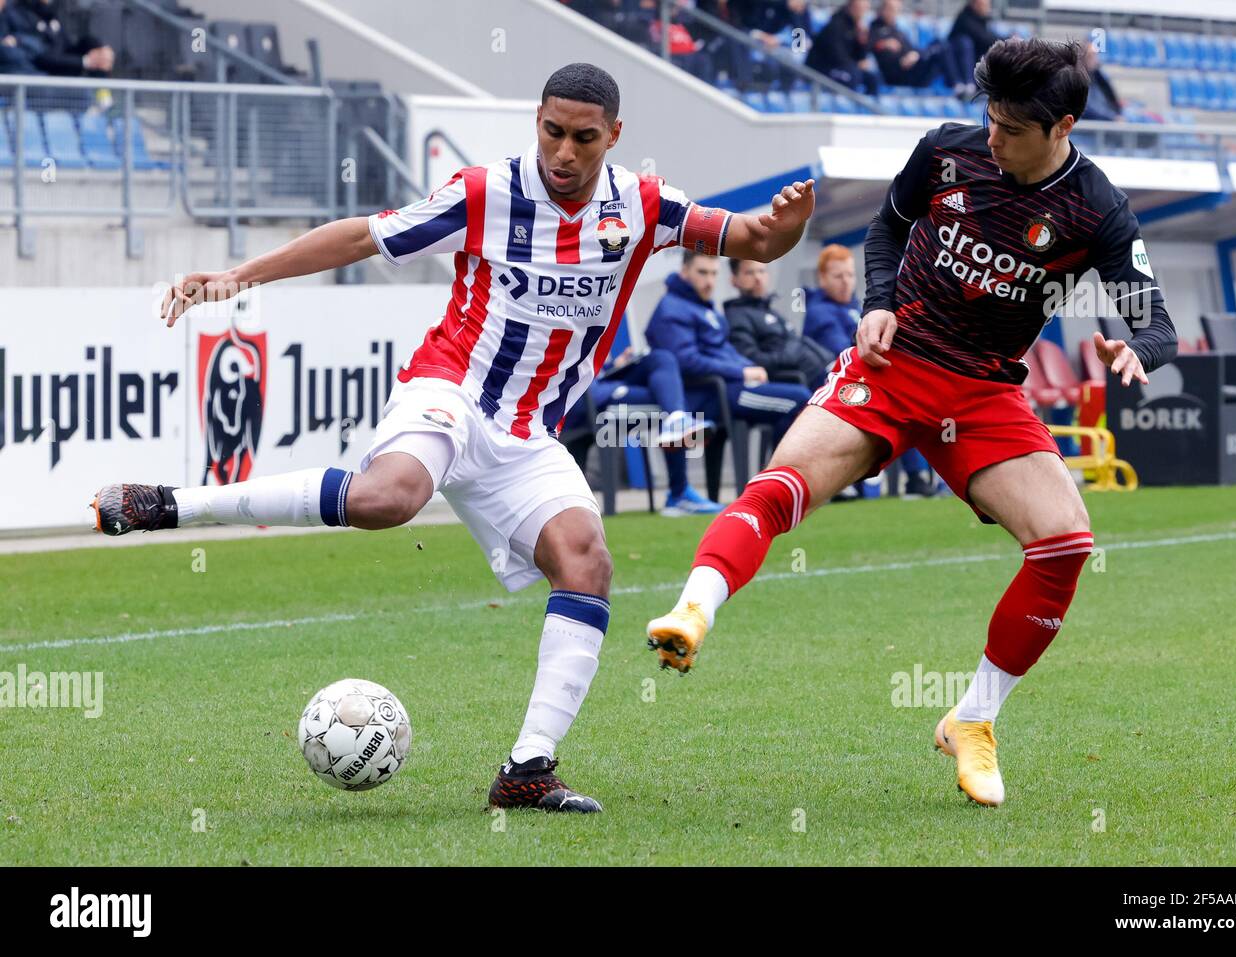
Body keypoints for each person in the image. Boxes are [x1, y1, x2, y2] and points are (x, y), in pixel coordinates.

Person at [91, 63, 816, 814]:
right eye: (552, 132)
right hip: (452, 390)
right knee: (391, 497)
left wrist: (789, 218)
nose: (564, 152)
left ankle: (527, 769)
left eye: (584, 138)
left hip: (528, 433)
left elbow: (755, 240)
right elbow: (362, 237)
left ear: (614, 136)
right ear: (537, 121)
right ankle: (169, 503)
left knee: (587, 560)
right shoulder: (486, 193)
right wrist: (241, 275)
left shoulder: (643, 204)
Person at [646, 39, 1177, 809]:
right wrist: (878, 302)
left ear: (1062, 125)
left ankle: (974, 717)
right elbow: (886, 231)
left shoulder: (1096, 207)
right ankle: (694, 607)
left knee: (1066, 541)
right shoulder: (945, 152)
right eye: (988, 117)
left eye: (1012, 128)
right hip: (893, 365)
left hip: (984, 391)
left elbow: (1152, 317)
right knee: (784, 485)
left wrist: (1139, 349)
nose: (992, 137)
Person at [803, 243, 938, 496]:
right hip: (836, 388)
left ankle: (921, 477)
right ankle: (908, 479)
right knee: (899, 396)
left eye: (850, 275)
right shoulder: (818, 312)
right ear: (822, 278)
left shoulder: (858, 307)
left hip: (863, 383)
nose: (846, 282)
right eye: (838, 276)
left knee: (910, 393)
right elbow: (846, 352)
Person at [646, 252, 812, 451]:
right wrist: (741, 372)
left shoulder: (703, 307)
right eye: (702, 273)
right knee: (801, 399)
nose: (709, 281)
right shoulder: (672, 308)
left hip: (730, 386)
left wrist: (749, 367)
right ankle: (781, 474)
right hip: (712, 393)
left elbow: (725, 351)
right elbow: (686, 361)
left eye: (714, 274)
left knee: (799, 401)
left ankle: (780, 473)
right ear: (684, 272)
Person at [564, 345, 724, 515]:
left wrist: (615, 365)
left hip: (605, 381)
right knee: (669, 396)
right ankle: (679, 494)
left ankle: (677, 419)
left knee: (661, 357)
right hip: (588, 397)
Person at [724, 258, 834, 388]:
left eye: (761, 271)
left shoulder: (771, 311)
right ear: (734, 280)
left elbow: (795, 341)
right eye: (749, 273)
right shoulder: (736, 316)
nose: (758, 277)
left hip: (826, 371)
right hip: (800, 379)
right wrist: (787, 355)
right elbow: (751, 360)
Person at [4, 0, 113, 77]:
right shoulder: (18, 13)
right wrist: (86, 62)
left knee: (95, 48)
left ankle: (103, 99)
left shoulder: (50, 15)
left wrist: (98, 50)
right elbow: (41, 56)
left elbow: (67, 47)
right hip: (39, 84)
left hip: (62, 83)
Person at [868, 0, 960, 91]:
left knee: (940, 44)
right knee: (941, 49)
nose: (894, 13)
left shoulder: (896, 30)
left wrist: (914, 54)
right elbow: (870, 44)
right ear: (882, 10)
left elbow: (910, 49)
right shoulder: (875, 29)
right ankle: (956, 86)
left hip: (912, 68)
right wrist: (883, 44)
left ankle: (959, 85)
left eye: (896, 10)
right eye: (890, 9)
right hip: (899, 76)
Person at [805, 0, 879, 94]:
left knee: (872, 78)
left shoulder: (857, 27)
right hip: (822, 69)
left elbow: (860, 56)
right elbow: (836, 55)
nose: (863, 13)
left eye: (865, 9)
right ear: (851, 7)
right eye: (860, 9)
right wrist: (856, 64)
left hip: (845, 67)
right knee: (853, 75)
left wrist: (862, 42)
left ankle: (866, 108)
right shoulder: (836, 24)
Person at [948, 0, 1001, 90]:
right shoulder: (965, 19)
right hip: (957, 63)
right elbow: (982, 37)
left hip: (974, 59)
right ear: (974, 4)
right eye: (984, 5)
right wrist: (1004, 41)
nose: (987, 8)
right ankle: (968, 84)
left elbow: (988, 36)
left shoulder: (981, 19)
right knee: (965, 43)